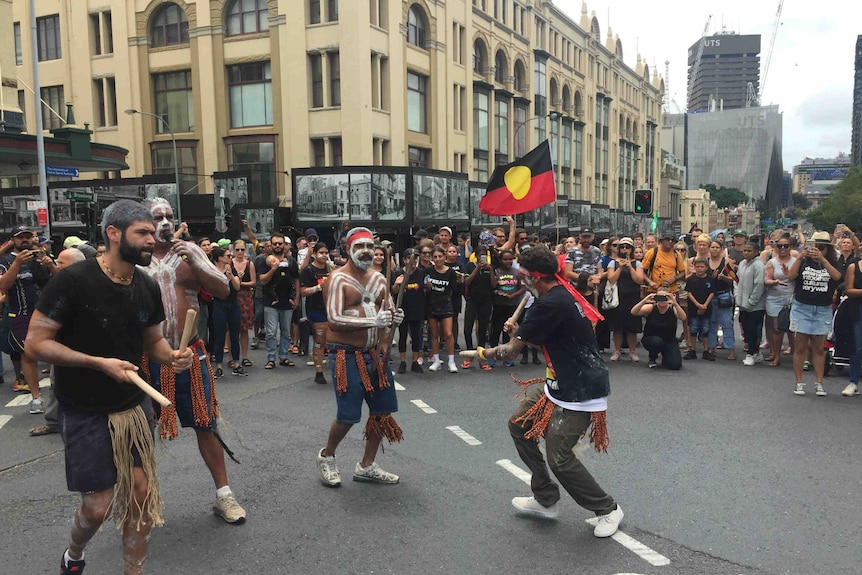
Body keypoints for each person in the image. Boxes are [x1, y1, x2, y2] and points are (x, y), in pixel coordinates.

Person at [26, 199, 194, 575]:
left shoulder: (146, 286)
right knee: (96, 507)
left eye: (153, 232)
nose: (153, 238)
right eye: (144, 233)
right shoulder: (74, 280)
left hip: (131, 407)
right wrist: (97, 362)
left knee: (140, 494)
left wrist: (173, 357)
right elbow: (36, 344)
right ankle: (74, 553)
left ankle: (133, 570)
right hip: (84, 408)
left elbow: (155, 344)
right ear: (114, 234)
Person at [461, 245, 622, 538]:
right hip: (558, 382)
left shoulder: (550, 303)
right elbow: (545, 338)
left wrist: (481, 353)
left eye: (523, 275)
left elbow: (511, 351)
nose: (520, 280)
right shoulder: (557, 292)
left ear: (535, 277)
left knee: (559, 457)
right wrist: (520, 332)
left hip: (581, 387)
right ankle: (546, 499)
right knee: (519, 425)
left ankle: (608, 509)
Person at [142, 197, 246, 524]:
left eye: (169, 216)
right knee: (140, 431)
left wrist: (197, 263)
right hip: (145, 359)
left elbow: (224, 290)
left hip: (189, 353)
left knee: (206, 424)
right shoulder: (135, 256)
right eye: (157, 217)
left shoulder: (189, 251)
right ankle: (142, 500)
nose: (165, 222)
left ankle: (224, 495)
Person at [316, 227, 404, 487]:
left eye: (369, 246)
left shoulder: (379, 278)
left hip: (375, 354)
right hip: (346, 355)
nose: (366, 251)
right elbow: (333, 320)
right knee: (348, 415)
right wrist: (372, 321)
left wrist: (395, 316)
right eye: (359, 246)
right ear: (347, 250)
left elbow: (387, 310)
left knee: (381, 411)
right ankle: (327, 456)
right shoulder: (337, 279)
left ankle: (366, 465)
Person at [29, 247, 86, 437]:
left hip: (87, 346)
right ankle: (54, 420)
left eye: (62, 263)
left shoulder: (90, 285)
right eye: (58, 262)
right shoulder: (59, 284)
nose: (57, 266)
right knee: (56, 380)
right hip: (61, 344)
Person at [0, 225, 57, 414]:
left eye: (27, 236)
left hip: (46, 313)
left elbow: (59, 281)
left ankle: (60, 395)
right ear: (13, 240)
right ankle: (36, 398)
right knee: (28, 354)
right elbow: (3, 286)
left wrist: (49, 264)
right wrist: (16, 264)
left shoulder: (41, 256)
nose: (25, 240)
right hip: (21, 314)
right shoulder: (5, 261)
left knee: (55, 354)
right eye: (20, 237)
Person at [786, 232, 842, 396]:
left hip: (822, 309)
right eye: (814, 247)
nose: (817, 250)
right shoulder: (803, 261)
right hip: (802, 307)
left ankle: (819, 383)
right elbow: (791, 276)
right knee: (800, 347)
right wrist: (800, 257)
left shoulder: (832, 262)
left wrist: (823, 260)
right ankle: (799, 382)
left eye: (821, 248)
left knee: (818, 349)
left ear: (828, 249)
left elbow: (837, 277)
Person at [259, 232, 300, 369]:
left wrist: (296, 298)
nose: (277, 246)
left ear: (284, 245)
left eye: (280, 243)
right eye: (275, 243)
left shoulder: (291, 261)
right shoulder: (265, 260)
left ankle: (284, 357)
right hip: (270, 301)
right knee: (271, 332)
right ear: (271, 245)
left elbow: (296, 280)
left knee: (286, 332)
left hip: (287, 301)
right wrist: (273, 268)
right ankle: (271, 358)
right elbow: (262, 280)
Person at [605, 237, 644, 362]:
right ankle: (617, 351)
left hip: (633, 297)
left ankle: (632, 352)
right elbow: (611, 279)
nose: (625, 249)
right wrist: (620, 267)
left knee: (632, 326)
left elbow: (639, 280)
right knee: (617, 326)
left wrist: (630, 266)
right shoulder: (613, 263)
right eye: (622, 247)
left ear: (631, 249)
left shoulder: (637, 263)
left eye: (627, 247)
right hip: (618, 297)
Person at [461, 245, 497, 371]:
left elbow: (494, 284)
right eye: (480, 255)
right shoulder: (470, 266)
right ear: (475, 255)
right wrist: (477, 268)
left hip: (486, 301)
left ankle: (482, 359)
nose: (482, 257)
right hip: (472, 300)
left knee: (482, 330)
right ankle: (470, 354)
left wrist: (490, 271)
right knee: (467, 329)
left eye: (484, 255)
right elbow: (467, 282)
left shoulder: (490, 267)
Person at [300, 242, 332, 385]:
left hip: (331, 309)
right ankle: (319, 372)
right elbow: (303, 291)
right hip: (316, 309)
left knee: (333, 341)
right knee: (320, 340)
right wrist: (318, 287)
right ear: (314, 254)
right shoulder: (308, 271)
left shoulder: (331, 268)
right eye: (322, 253)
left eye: (326, 253)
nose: (324, 255)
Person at [210, 247, 244, 378]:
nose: (230, 258)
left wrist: (231, 276)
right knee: (219, 335)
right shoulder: (212, 270)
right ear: (219, 258)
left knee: (235, 334)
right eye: (228, 256)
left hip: (233, 303)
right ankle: (219, 365)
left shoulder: (231, 268)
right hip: (219, 304)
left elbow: (237, 286)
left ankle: (236, 363)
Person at [632, 288, 686, 369]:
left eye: (665, 297)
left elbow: (683, 317)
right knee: (657, 342)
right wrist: (644, 300)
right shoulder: (651, 307)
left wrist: (675, 303)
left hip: (669, 340)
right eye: (659, 297)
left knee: (675, 365)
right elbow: (634, 312)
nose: (662, 300)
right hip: (651, 339)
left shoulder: (673, 308)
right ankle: (652, 358)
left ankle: (666, 356)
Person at [424, 246, 459, 373]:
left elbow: (452, 290)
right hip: (431, 305)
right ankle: (436, 360)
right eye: (435, 257)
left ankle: (451, 361)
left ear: (444, 257)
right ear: (432, 259)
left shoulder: (451, 272)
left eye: (440, 256)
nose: (438, 259)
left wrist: (445, 299)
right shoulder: (428, 270)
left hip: (446, 305)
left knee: (448, 333)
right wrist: (427, 287)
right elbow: (425, 288)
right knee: (434, 333)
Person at [489, 250, 525, 367]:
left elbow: (522, 288)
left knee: (508, 331)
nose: (508, 261)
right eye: (505, 259)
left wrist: (512, 295)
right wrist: (497, 292)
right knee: (496, 330)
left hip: (512, 306)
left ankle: (506, 356)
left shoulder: (516, 272)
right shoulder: (497, 272)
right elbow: (493, 286)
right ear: (500, 260)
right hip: (499, 305)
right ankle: (492, 355)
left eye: (510, 259)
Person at [394, 248, 426, 374]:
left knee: (416, 336)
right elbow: (393, 291)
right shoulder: (397, 272)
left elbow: (425, 288)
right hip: (402, 308)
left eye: (415, 259)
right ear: (404, 260)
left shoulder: (421, 272)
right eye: (409, 258)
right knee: (402, 336)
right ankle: (402, 362)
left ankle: (415, 361)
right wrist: (397, 284)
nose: (412, 261)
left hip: (417, 308)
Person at [764, 239, 796, 366]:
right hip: (774, 298)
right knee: (777, 329)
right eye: (779, 246)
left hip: (791, 297)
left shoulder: (796, 261)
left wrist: (790, 275)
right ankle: (776, 356)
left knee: (792, 329)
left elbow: (799, 278)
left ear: (790, 247)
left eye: (786, 246)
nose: (783, 248)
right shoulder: (772, 262)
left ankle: (796, 355)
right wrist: (774, 282)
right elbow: (767, 279)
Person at [736, 242, 767, 366]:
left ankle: (751, 353)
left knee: (753, 330)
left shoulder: (759, 265)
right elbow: (737, 281)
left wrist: (752, 301)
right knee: (745, 329)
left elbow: (759, 284)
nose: (746, 253)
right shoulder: (742, 263)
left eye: (749, 251)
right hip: (742, 303)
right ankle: (756, 352)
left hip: (756, 306)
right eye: (745, 250)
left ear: (756, 252)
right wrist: (738, 297)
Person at [705, 241, 737, 360]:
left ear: (721, 249)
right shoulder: (706, 261)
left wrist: (722, 277)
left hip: (724, 295)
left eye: (717, 247)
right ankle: (711, 347)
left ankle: (731, 349)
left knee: (726, 323)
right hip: (710, 296)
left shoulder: (727, 262)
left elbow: (734, 279)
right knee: (711, 323)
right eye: (712, 247)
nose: (714, 250)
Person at [684, 258, 716, 360]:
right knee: (693, 328)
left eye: (702, 267)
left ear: (706, 267)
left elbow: (712, 293)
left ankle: (706, 350)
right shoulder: (691, 279)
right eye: (697, 267)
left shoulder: (710, 279)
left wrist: (704, 305)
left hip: (707, 307)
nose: (699, 269)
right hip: (693, 308)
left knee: (705, 328)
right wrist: (698, 305)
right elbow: (689, 293)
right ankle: (692, 349)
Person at [232, 239, 256, 368]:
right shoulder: (229, 263)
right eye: (237, 249)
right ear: (233, 250)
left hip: (245, 297)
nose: (240, 252)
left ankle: (245, 356)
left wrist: (240, 282)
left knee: (244, 328)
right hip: (232, 297)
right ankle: (232, 356)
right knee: (231, 328)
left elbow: (253, 282)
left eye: (242, 249)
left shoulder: (249, 264)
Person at [842, 257, 862, 396]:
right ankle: (853, 382)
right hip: (858, 309)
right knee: (857, 346)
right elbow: (849, 290)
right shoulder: (853, 267)